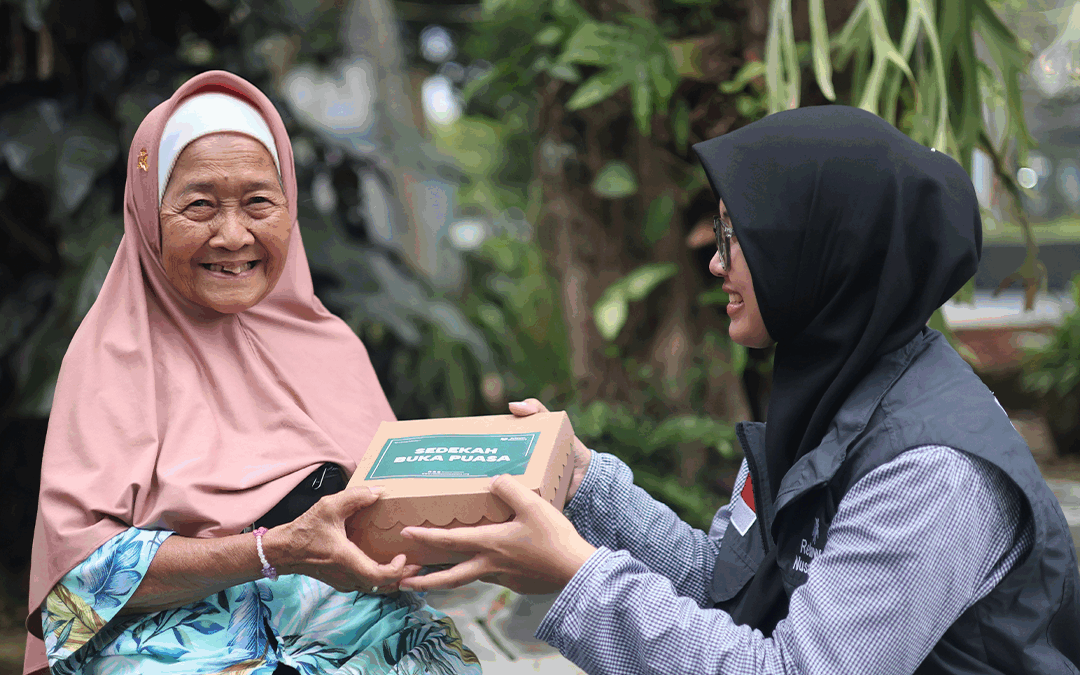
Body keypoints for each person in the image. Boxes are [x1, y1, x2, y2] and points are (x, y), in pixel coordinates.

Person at [398, 105, 1080, 674]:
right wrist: (584, 484)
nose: (717, 261)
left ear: (821, 247)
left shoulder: (930, 469)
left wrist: (578, 576)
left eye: (736, 235)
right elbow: (726, 585)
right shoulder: (830, 398)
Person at [23, 70, 480, 675]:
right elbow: (76, 586)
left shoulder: (330, 344)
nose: (233, 235)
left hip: (347, 628)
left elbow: (384, 515)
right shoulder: (113, 357)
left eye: (259, 201)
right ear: (149, 213)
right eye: (200, 205)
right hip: (172, 646)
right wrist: (273, 552)